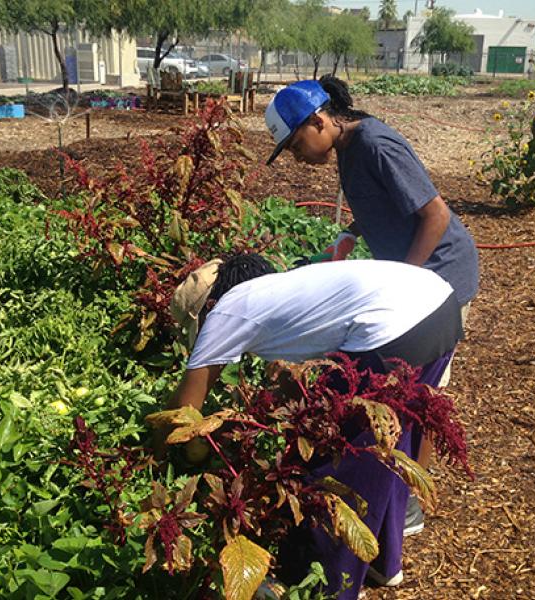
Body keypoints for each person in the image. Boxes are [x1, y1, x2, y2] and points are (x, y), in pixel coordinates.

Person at [167, 255, 463, 600]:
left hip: (391, 331)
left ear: (208, 307)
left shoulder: (225, 311)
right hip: (438, 306)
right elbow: (296, 384)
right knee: (388, 448)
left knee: (334, 464)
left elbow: (184, 411)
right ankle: (383, 563)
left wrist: (166, 454)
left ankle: (323, 588)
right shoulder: (283, 293)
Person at [265, 76, 480, 533]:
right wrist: (351, 235)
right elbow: (380, 200)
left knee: (423, 393)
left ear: (318, 121)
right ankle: (393, 484)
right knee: (399, 387)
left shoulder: (375, 143)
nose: (298, 157)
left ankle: (410, 502)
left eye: (295, 143)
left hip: (442, 277)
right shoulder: (348, 148)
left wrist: (405, 277)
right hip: (415, 279)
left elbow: (435, 214)